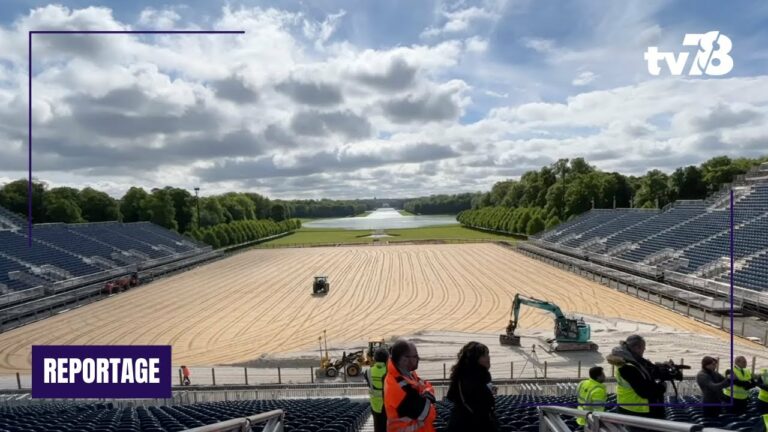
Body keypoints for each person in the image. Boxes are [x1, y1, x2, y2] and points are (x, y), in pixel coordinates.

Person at [606, 335, 666, 422]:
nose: (644, 350)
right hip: (637, 410)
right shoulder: (628, 367)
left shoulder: (627, 361)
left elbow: (643, 375)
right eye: (643, 348)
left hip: (627, 406)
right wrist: (662, 387)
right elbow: (644, 392)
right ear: (637, 348)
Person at [384, 339, 437, 432]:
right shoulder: (398, 387)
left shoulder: (408, 374)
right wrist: (428, 393)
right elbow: (426, 412)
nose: (418, 358)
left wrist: (427, 392)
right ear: (404, 359)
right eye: (415, 356)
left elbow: (426, 384)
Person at [445, 342, 498, 432]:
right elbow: (483, 410)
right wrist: (488, 393)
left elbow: (452, 396)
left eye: (488, 354)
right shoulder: (475, 379)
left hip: (457, 424)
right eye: (484, 355)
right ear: (475, 359)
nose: (488, 357)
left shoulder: (463, 376)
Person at [363, 348, 389, 432]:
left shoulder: (368, 372)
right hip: (388, 406)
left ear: (374, 358)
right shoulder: (389, 371)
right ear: (387, 358)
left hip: (375, 406)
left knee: (377, 428)